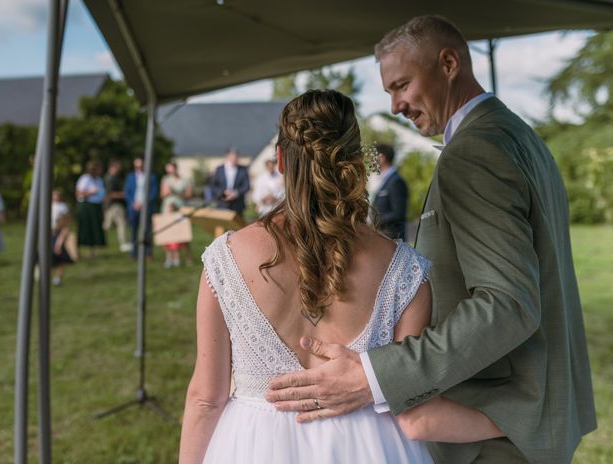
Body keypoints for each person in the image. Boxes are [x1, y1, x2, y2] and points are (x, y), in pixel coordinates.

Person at [265, 16, 597, 464]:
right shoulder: (518, 135)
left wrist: (374, 377)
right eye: (388, 93)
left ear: (447, 63)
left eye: (402, 85)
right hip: (532, 413)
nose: (397, 105)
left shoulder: (475, 152)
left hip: (497, 429)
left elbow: (508, 304)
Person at [179, 90, 504, 464]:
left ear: (281, 160)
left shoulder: (226, 260)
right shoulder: (405, 273)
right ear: (355, 160)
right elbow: (417, 417)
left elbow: (206, 398)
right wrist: (513, 424)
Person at [369, 143, 408, 240]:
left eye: (373, 156)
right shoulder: (381, 179)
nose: (370, 160)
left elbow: (399, 213)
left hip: (391, 239)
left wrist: (374, 221)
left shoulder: (396, 182)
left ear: (382, 157)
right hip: (380, 236)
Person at [124, 157, 158, 258]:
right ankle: (134, 252)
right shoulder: (130, 177)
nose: (139, 168)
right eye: (136, 166)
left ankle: (148, 252)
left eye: (140, 166)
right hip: (134, 207)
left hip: (146, 207)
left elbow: (153, 192)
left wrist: (144, 203)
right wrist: (133, 203)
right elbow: (128, 192)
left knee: (147, 230)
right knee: (134, 230)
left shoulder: (151, 177)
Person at [75, 161, 106, 257]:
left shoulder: (98, 179)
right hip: (86, 206)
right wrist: (90, 192)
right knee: (86, 229)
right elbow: (79, 193)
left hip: (96, 206)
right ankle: (81, 250)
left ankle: (92, 251)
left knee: (94, 229)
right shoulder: (85, 179)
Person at [210, 148, 250, 219]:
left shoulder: (243, 170)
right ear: (227, 157)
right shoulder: (219, 169)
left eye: (236, 157)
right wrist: (223, 193)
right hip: (222, 204)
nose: (234, 159)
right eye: (232, 157)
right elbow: (213, 186)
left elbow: (246, 186)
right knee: (222, 226)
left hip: (237, 205)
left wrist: (235, 193)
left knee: (238, 228)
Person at [102, 159, 131, 253]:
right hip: (113, 204)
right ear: (113, 167)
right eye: (118, 167)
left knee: (108, 225)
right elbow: (108, 193)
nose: (119, 169)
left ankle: (98, 242)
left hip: (112, 205)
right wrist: (123, 194)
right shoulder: (110, 178)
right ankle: (123, 244)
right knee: (120, 224)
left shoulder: (113, 177)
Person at [51, 189, 74, 286]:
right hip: (51, 234)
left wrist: (59, 243)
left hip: (58, 235)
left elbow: (66, 226)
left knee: (60, 260)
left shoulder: (63, 207)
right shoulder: (48, 205)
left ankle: (57, 278)